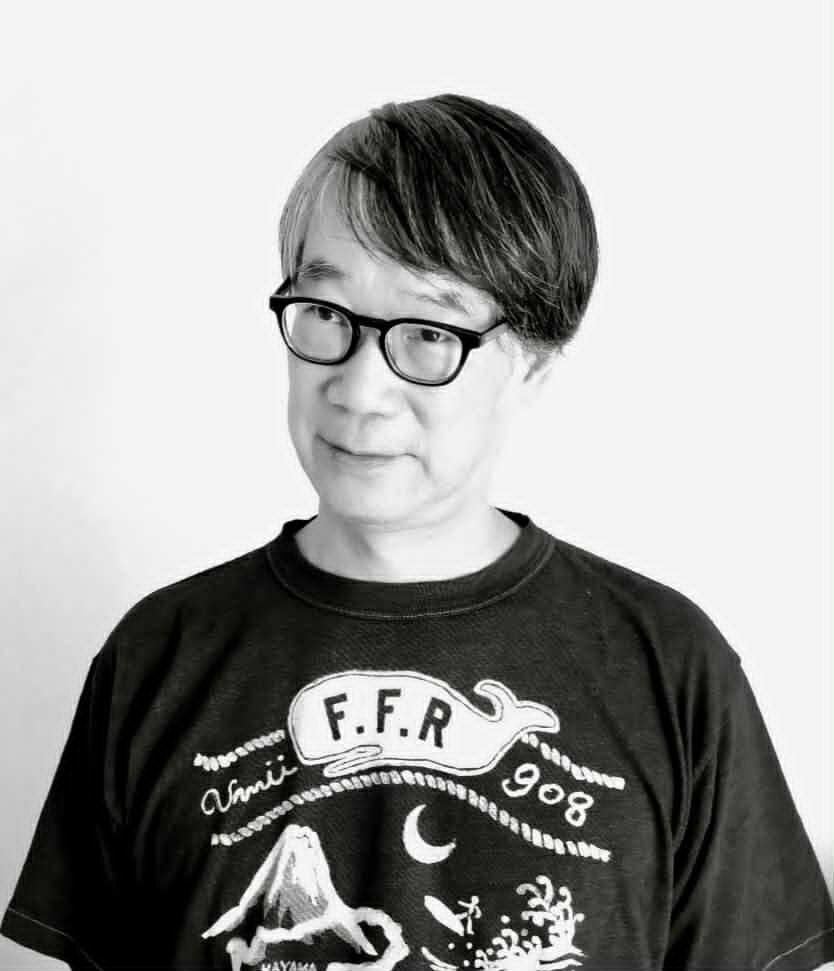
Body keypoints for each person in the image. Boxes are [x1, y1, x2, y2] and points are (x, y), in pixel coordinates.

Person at [2, 93, 832, 971]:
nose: (360, 390)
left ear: (533, 361)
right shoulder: (158, 658)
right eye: (327, 314)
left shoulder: (669, 669)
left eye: (429, 332)